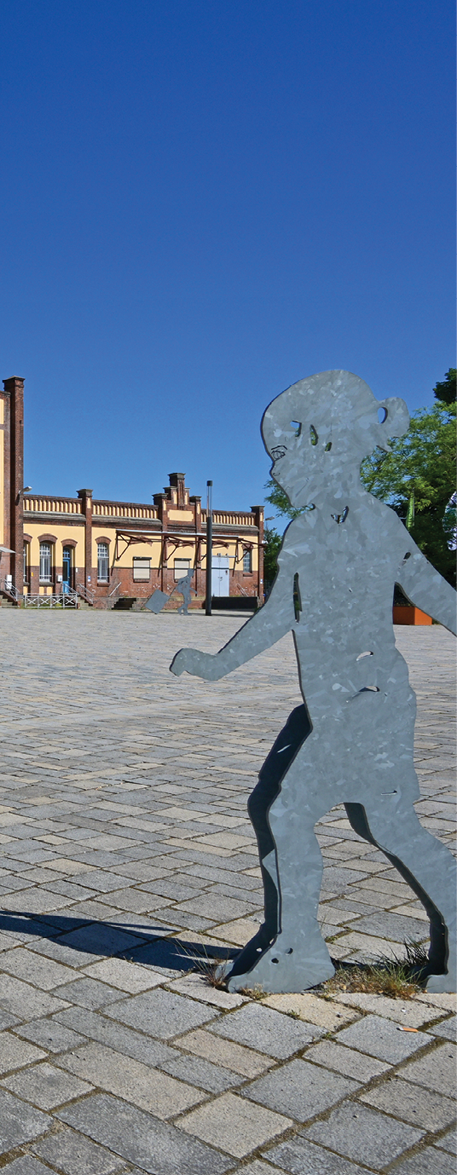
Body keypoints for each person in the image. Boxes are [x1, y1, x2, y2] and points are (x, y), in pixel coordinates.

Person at [171, 371, 457, 993]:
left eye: (281, 454)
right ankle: (284, 935)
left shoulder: (375, 523)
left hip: (367, 704)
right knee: (368, 822)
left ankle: (301, 950)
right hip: (334, 708)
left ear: (327, 446)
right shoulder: (307, 530)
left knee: (292, 813)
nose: (274, 473)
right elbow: (280, 612)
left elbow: (433, 590)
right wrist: (217, 664)